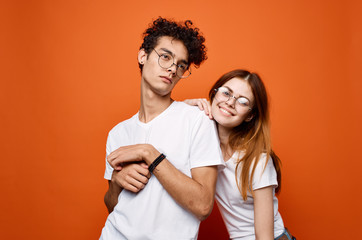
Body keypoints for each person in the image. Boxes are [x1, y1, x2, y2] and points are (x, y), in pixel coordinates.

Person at [99, 17, 224, 240]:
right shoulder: (118, 133)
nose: (172, 69)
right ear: (143, 56)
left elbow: (204, 206)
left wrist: (150, 154)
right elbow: (113, 206)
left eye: (181, 65)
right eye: (165, 57)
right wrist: (117, 182)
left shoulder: (197, 121)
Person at [185, 69, 296, 240]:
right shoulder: (205, 145)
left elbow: (264, 237)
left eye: (243, 102)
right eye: (226, 93)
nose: (230, 102)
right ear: (214, 94)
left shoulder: (257, 160)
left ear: (250, 116)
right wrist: (188, 106)